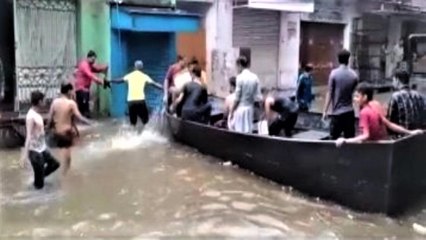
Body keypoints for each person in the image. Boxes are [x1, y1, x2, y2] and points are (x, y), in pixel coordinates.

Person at [336, 83, 423, 147]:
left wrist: (346, 140)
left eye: (357, 96)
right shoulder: (375, 105)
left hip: (371, 149)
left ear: (365, 97)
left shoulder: (364, 113)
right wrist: (410, 132)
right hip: (383, 146)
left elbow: (366, 135)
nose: (354, 99)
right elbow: (389, 124)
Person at [48, 83, 92, 176]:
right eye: (72, 90)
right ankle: (65, 175)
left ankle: (60, 172)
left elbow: (49, 118)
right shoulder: (71, 103)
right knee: (68, 157)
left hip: (57, 134)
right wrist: (91, 123)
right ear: (68, 91)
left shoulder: (55, 102)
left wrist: (47, 128)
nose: (73, 92)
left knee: (60, 152)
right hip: (66, 134)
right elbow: (79, 117)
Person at [21, 91, 60, 189]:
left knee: (55, 164)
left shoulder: (37, 114)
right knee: (39, 185)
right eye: (43, 100)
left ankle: (40, 178)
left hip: (42, 148)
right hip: (35, 152)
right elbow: (29, 135)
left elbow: (39, 131)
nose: (45, 102)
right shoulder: (30, 116)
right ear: (39, 101)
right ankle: (35, 197)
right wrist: (25, 155)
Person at [110, 60, 162, 130]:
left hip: (131, 102)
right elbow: (154, 84)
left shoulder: (130, 75)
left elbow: (119, 81)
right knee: (145, 121)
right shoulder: (144, 76)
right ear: (142, 67)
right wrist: (163, 88)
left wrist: (110, 80)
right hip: (140, 101)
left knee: (133, 123)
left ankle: (132, 136)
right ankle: (145, 135)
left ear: (134, 67)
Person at [322, 49, 359, 140]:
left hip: (337, 114)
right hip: (349, 113)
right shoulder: (354, 75)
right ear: (348, 59)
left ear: (338, 59)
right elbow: (353, 93)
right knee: (350, 142)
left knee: (333, 141)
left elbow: (330, 93)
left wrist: (325, 111)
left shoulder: (333, 74)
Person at [229, 56, 262, 133]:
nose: (237, 69)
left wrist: (232, 111)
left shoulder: (239, 78)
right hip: (250, 108)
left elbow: (237, 98)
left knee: (239, 131)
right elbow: (258, 97)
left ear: (240, 65)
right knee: (248, 130)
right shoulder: (255, 77)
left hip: (241, 109)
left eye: (237, 67)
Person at [387, 70, 425, 135]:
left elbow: (390, 122)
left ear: (397, 80)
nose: (392, 83)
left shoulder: (395, 96)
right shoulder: (419, 96)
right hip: (418, 136)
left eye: (393, 80)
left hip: (402, 138)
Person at [75, 50, 109, 118]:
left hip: (85, 89)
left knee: (85, 107)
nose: (94, 61)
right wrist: (101, 82)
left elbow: (96, 69)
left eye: (94, 60)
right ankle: (86, 122)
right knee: (84, 109)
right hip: (81, 89)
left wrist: (104, 68)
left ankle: (86, 121)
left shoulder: (89, 65)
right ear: (88, 58)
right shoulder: (84, 65)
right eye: (93, 59)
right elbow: (90, 75)